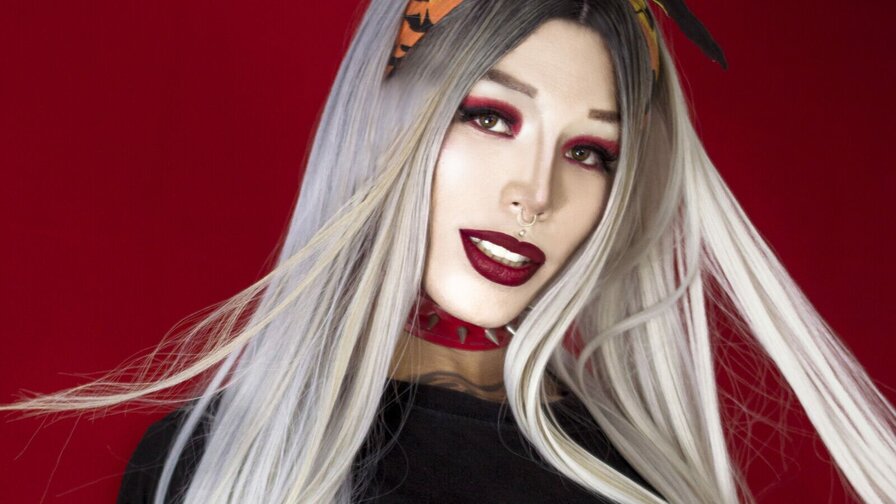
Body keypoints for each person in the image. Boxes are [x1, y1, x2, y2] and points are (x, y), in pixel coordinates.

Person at [2, 0, 894, 502]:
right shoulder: (212, 465)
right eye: (491, 117)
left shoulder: (636, 478)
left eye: (590, 152)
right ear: (393, 121)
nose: (534, 193)